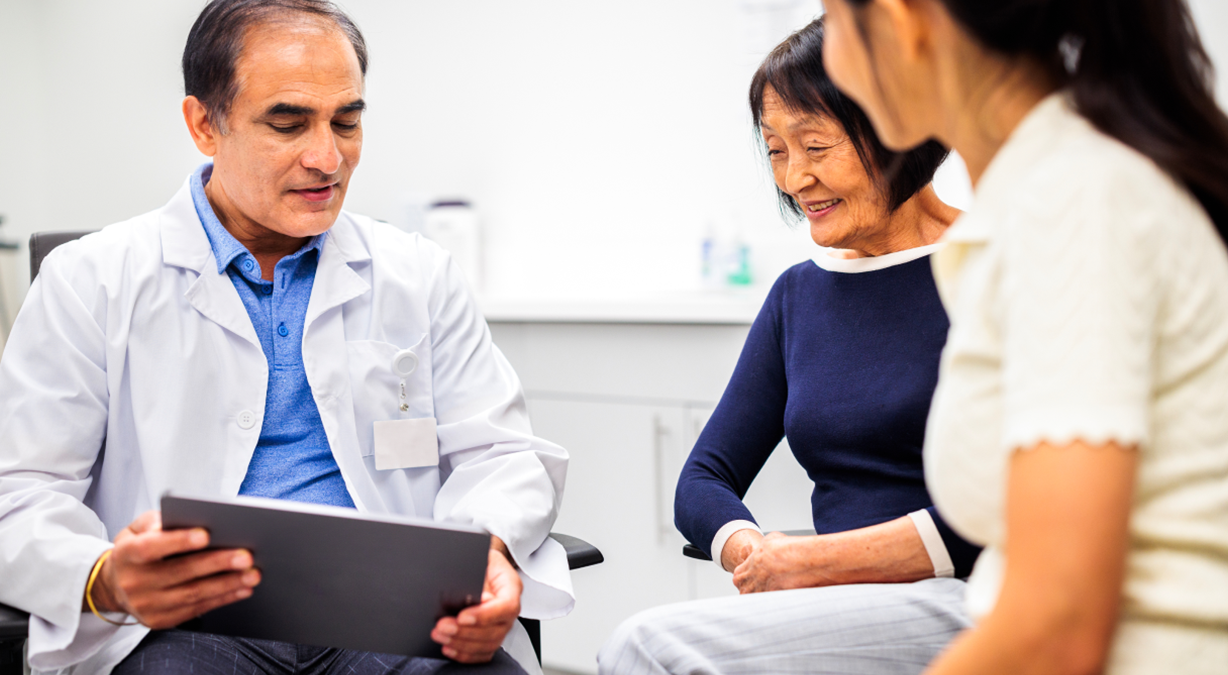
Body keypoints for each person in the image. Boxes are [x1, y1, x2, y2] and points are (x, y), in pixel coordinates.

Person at [0, 1, 573, 673]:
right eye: (288, 122)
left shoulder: (417, 273)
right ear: (203, 125)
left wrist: (490, 552)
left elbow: (500, 455)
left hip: (392, 617)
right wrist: (104, 577)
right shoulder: (88, 281)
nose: (327, 156)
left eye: (347, 121)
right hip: (184, 627)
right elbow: (21, 491)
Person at [817, 0, 1228, 673]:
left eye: (832, 19)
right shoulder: (1039, 194)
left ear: (902, 18)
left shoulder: (1072, 199)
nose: (832, 58)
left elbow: (1056, 628)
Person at [598, 18, 980, 674]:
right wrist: (753, 549)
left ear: (901, 129)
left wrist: (810, 562)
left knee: (645, 648)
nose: (794, 177)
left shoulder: (990, 266)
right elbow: (703, 477)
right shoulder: (800, 295)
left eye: (815, 144)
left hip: (970, 597)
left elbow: (997, 515)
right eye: (776, 149)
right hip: (844, 604)